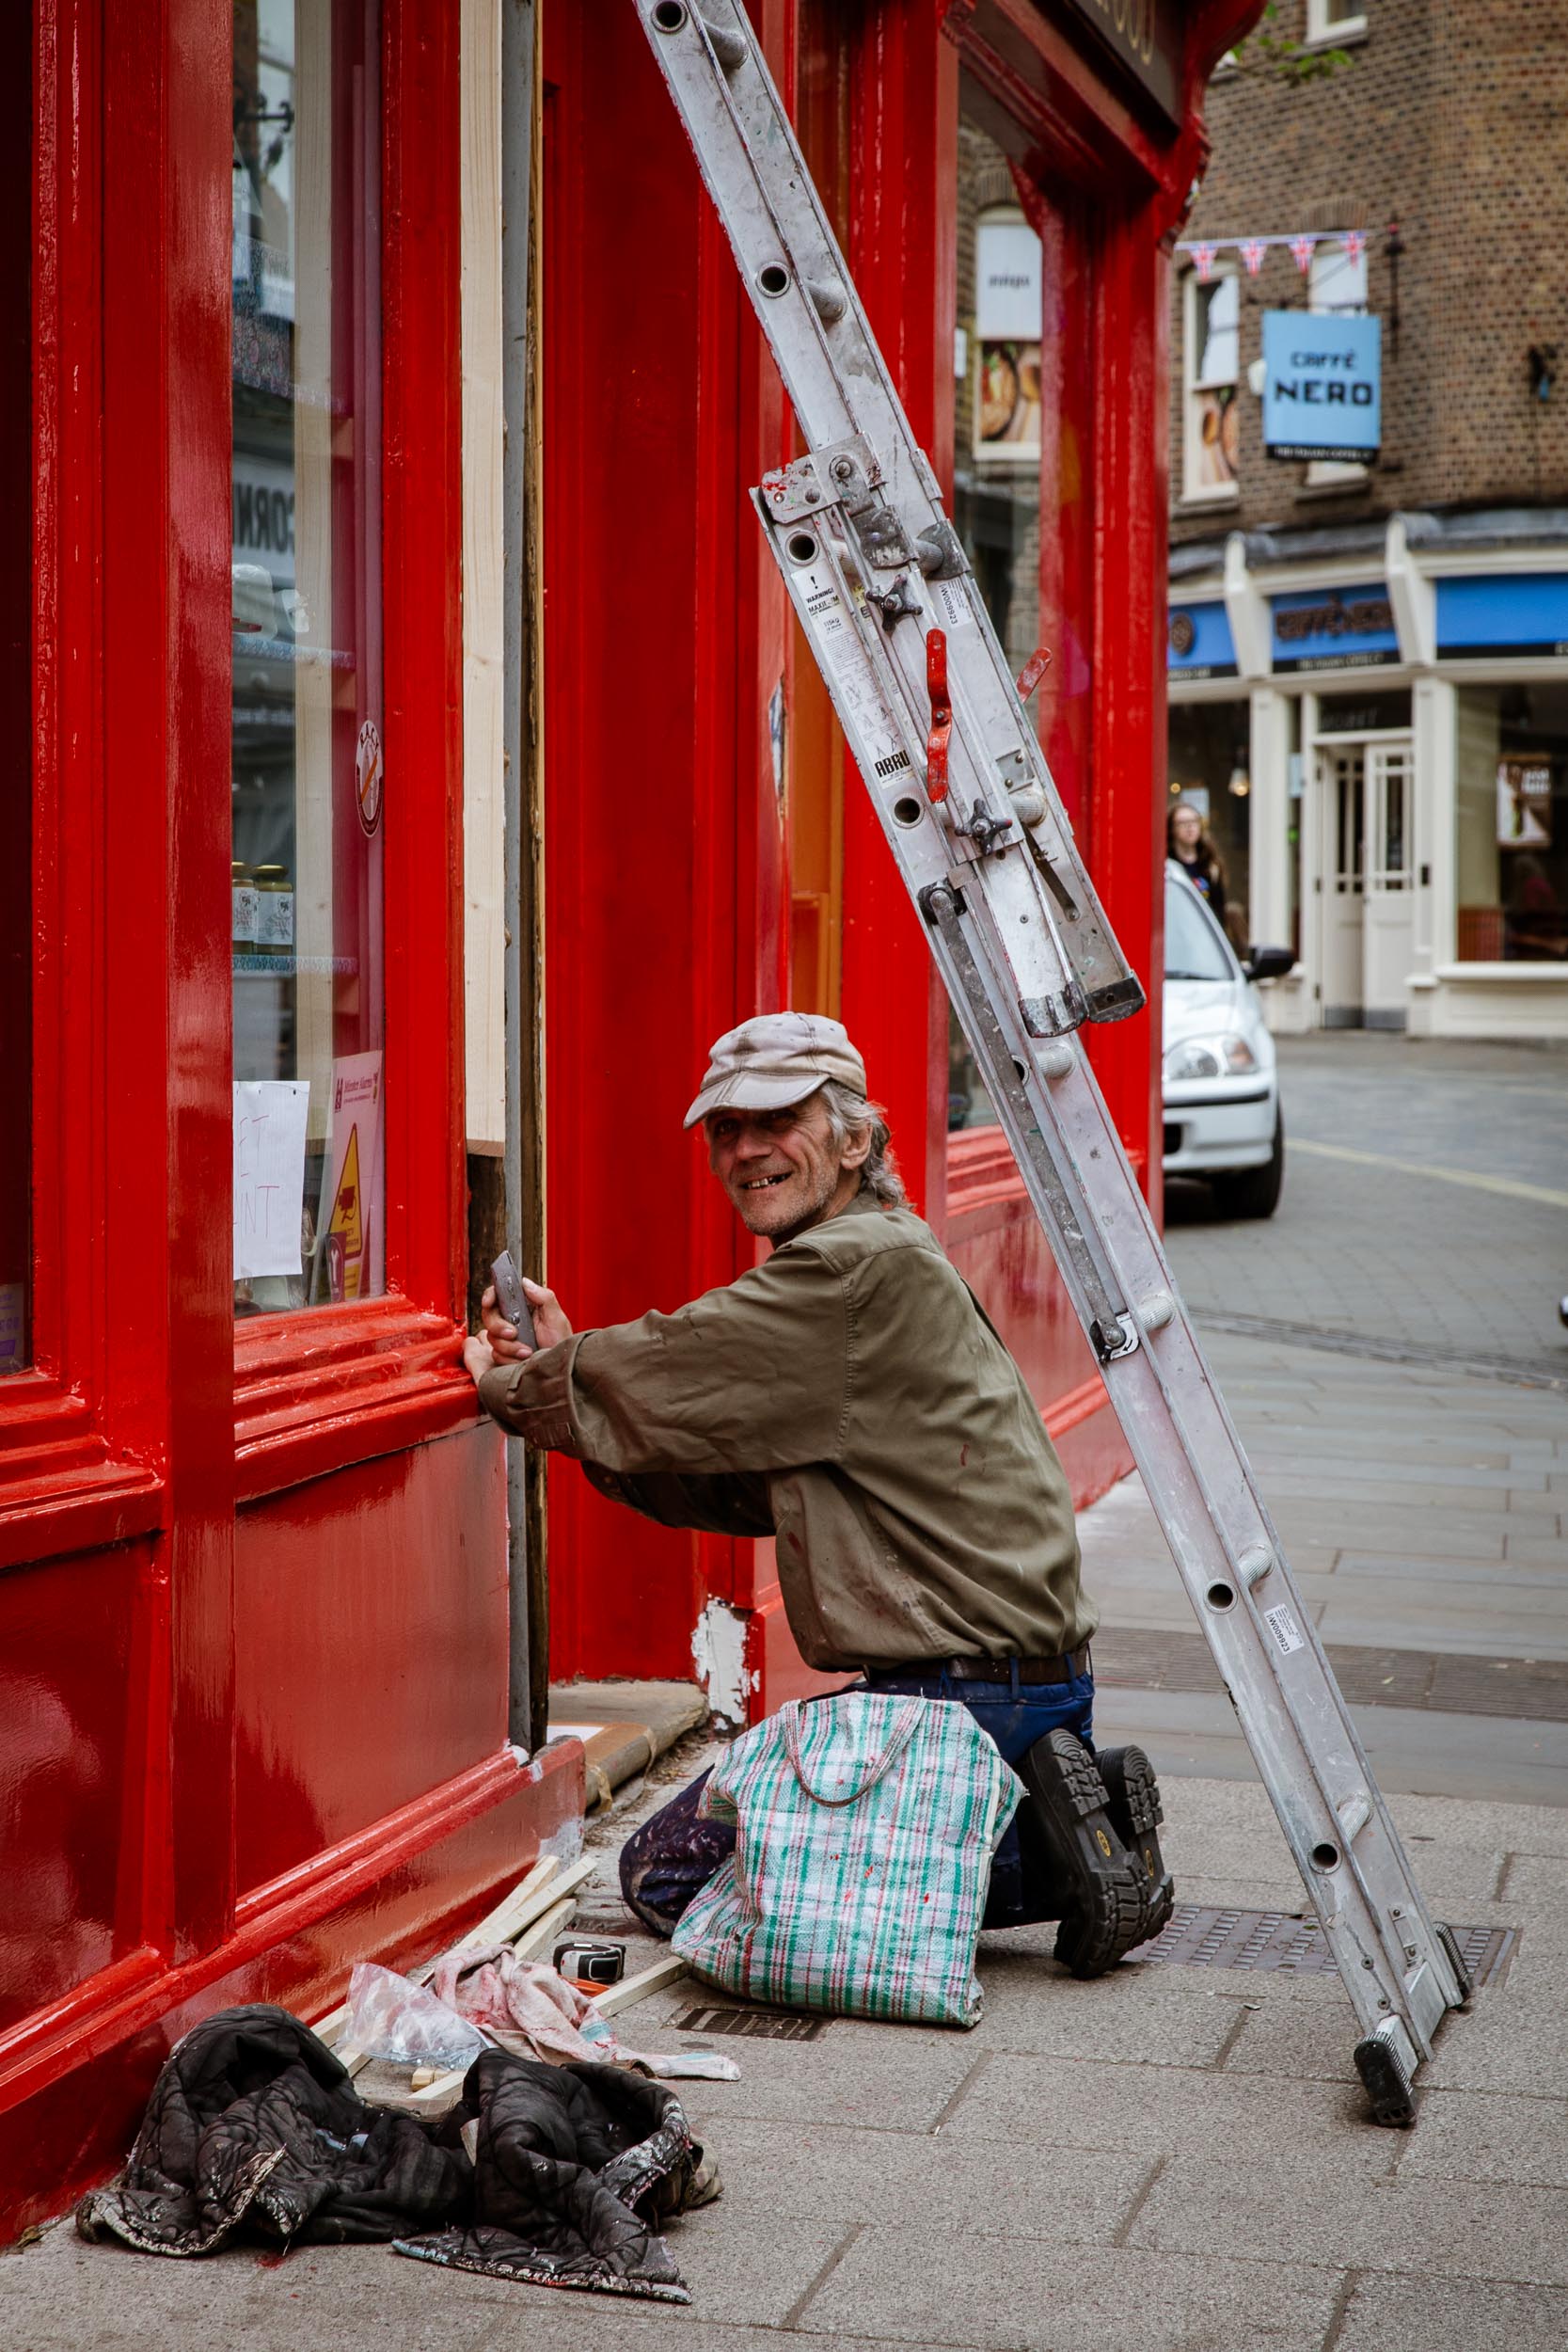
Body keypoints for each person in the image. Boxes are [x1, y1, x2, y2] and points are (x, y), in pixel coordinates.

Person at [463, 1012, 1172, 1979]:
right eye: (725, 1129)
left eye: (776, 1119)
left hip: (947, 1703)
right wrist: (563, 1377)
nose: (746, 1148)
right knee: (724, 1867)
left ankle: (1044, 1851)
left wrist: (502, 1383)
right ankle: (1045, 1814)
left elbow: (667, 1364)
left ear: (853, 1138)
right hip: (1023, 1692)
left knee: (667, 1879)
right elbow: (738, 1483)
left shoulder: (848, 1270)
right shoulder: (879, 1255)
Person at [1167, 799, 1228, 930]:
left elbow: (1219, 911)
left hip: (1204, 933)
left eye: (1193, 821)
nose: (1190, 827)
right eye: (1182, 823)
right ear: (1172, 829)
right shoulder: (1168, 866)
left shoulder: (1211, 866)